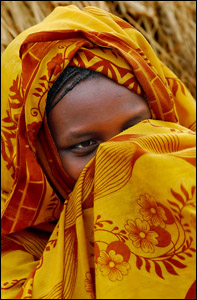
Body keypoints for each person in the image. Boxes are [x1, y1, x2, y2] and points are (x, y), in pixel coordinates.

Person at [1, 5, 196, 299]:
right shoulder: (13, 271)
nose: (122, 153)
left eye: (141, 126)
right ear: (38, 160)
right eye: (86, 145)